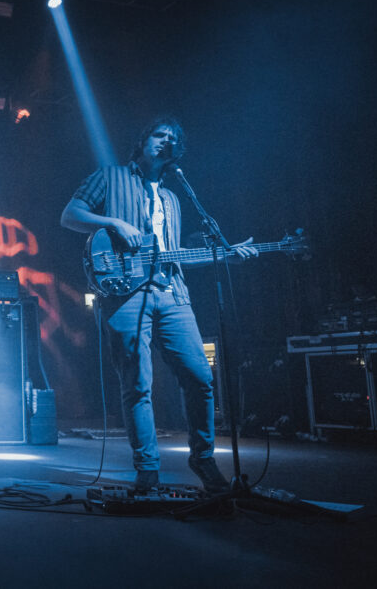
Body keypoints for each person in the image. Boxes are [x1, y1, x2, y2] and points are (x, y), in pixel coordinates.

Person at [61, 117, 258, 494]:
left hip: (173, 294)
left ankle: (203, 458)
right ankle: (147, 469)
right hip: (125, 295)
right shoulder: (111, 176)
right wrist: (114, 222)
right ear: (143, 140)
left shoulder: (172, 196)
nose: (165, 141)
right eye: (159, 134)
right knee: (137, 384)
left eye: (172, 138)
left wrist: (225, 255)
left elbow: (170, 253)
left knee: (200, 378)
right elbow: (70, 215)